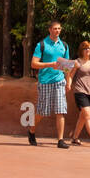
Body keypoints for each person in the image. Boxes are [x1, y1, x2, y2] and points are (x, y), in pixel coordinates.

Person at [28, 21, 71, 149]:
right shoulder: (42, 45)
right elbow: (34, 64)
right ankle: (31, 131)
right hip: (45, 81)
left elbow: (67, 65)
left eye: (59, 29)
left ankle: (61, 140)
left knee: (60, 110)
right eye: (55, 29)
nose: (57, 31)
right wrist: (50, 64)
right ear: (50, 30)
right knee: (42, 111)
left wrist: (68, 81)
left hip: (59, 81)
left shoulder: (64, 45)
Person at [66, 41, 90, 147]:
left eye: (89, 48)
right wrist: (69, 84)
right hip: (80, 91)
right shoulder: (77, 62)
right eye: (85, 48)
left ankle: (74, 138)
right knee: (88, 115)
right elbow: (70, 75)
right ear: (81, 51)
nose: (87, 50)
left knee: (83, 117)